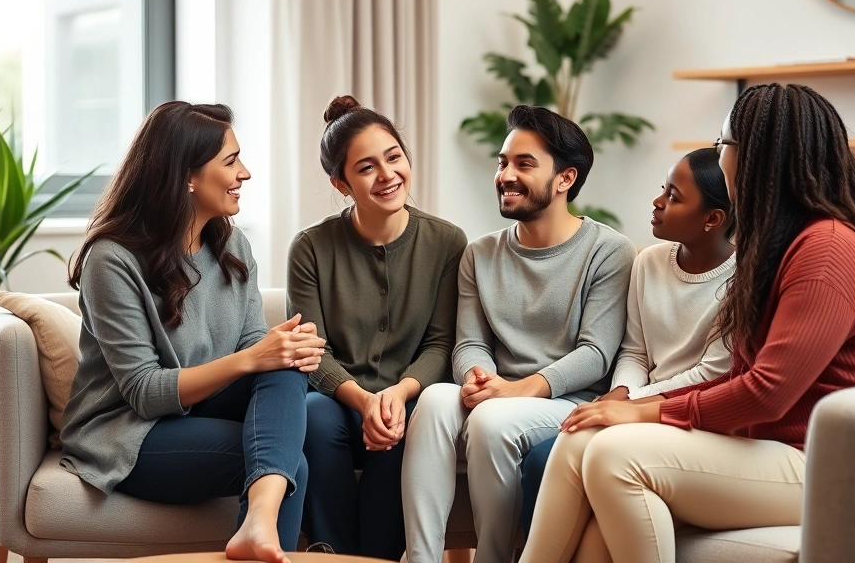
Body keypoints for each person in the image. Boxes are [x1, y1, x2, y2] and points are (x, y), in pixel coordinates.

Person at [520, 83, 855, 563]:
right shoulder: (782, 243)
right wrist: (634, 405)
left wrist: (644, 412)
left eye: (722, 145)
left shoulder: (827, 251)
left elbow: (766, 392)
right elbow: (741, 375)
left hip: (826, 464)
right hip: (768, 448)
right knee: (581, 440)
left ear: (756, 157)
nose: (719, 158)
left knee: (614, 457)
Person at [62, 102, 325, 563]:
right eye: (231, 161)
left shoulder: (232, 244)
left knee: (285, 365)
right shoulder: (112, 259)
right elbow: (144, 392)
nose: (245, 173)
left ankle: (259, 524)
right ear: (187, 176)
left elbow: (253, 347)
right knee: (289, 463)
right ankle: (260, 524)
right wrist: (253, 358)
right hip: (128, 433)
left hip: (204, 406)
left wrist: (275, 352)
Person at [401, 105, 636, 563]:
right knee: (433, 401)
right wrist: (478, 377)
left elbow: (596, 354)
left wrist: (514, 391)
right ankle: (422, 557)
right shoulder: (480, 253)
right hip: (498, 391)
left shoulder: (609, 251)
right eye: (503, 162)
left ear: (565, 178)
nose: (506, 175)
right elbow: (470, 342)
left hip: (570, 400)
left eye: (524, 164)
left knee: (491, 421)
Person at [519, 147, 736, 536]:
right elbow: (635, 350)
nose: (657, 202)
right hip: (638, 403)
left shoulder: (742, 280)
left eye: (674, 197)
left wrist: (630, 403)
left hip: (688, 416)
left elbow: (712, 373)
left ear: (713, 219)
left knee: (552, 460)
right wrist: (619, 393)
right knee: (541, 460)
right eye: (663, 189)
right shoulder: (649, 262)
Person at [287, 95, 467, 560]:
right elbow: (311, 351)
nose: (388, 175)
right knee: (313, 416)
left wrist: (397, 395)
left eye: (394, 157)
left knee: (406, 427)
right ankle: (334, 553)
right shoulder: (310, 247)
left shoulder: (447, 241)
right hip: (338, 400)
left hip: (407, 399)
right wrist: (364, 400)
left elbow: (441, 343)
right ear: (341, 184)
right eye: (366, 168)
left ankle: (377, 558)